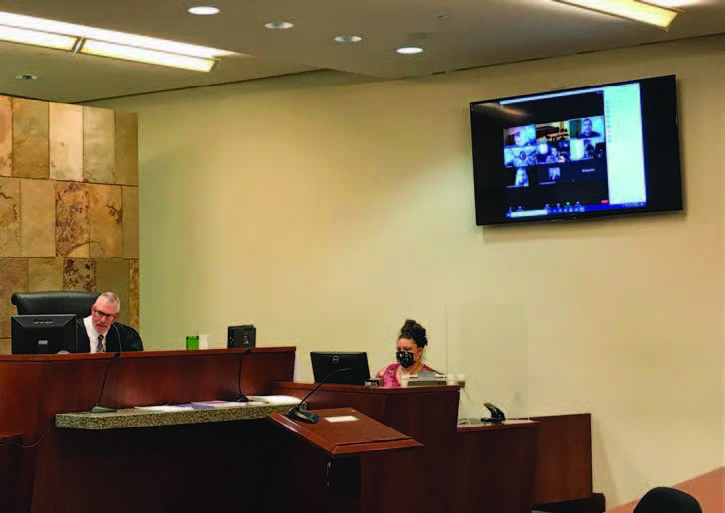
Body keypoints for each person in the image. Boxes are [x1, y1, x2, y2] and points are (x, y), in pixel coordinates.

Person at [376, 319, 437, 387]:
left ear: (419, 351)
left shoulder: (431, 378)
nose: (402, 353)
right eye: (399, 349)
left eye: (407, 349)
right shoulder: (385, 373)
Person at [76, 292, 143, 352]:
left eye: (108, 316)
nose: (103, 320)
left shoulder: (126, 336)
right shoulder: (73, 332)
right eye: (100, 313)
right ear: (93, 310)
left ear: (115, 317)